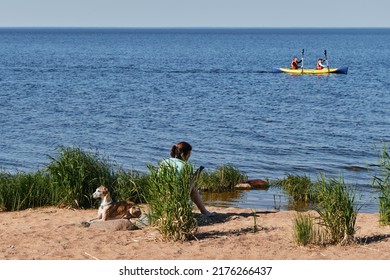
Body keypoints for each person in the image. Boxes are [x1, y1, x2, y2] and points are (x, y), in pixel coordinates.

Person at [162, 141, 214, 217]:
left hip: (163, 199)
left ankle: (204, 211)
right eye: (189, 154)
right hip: (178, 201)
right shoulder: (185, 166)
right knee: (192, 185)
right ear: (183, 154)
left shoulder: (164, 162)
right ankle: (204, 211)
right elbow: (186, 186)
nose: (189, 157)